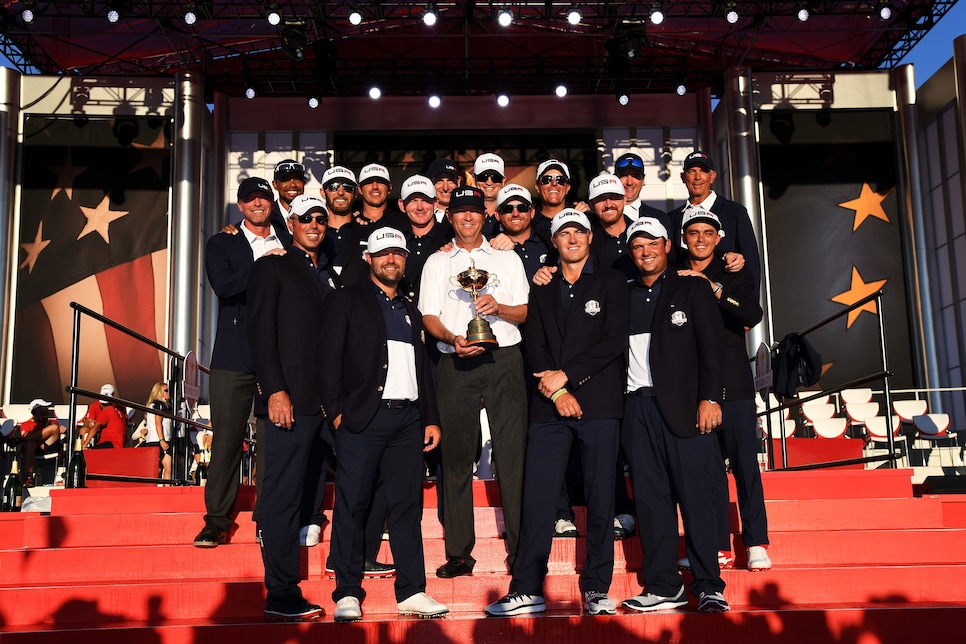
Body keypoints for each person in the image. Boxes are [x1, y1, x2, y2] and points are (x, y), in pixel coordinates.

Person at [484, 209, 629, 617]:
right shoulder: (542, 288)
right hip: (549, 405)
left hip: (598, 405)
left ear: (589, 238)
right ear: (554, 241)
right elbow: (536, 344)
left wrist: (567, 378)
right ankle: (527, 587)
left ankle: (597, 587)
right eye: (564, 233)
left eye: (579, 232)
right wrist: (559, 388)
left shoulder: (612, 282)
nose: (573, 238)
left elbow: (613, 341)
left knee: (601, 499)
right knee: (539, 499)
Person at [322, 227, 448, 622]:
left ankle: (412, 591)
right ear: (369, 259)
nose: (391, 259)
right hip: (363, 418)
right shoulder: (345, 300)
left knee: (407, 508)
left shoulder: (410, 310)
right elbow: (327, 361)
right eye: (383, 254)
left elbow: (420, 370)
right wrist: (337, 411)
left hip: (408, 420)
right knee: (352, 504)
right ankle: (346, 591)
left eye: (397, 253)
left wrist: (429, 417)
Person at [620, 216, 730, 614]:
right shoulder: (623, 294)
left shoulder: (691, 289)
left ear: (667, 246)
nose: (645, 251)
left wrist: (710, 398)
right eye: (637, 246)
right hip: (637, 409)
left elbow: (712, 348)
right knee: (651, 502)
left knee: (697, 499)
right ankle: (665, 585)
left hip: (687, 410)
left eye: (652, 244)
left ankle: (709, 585)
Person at [418, 186, 530, 578]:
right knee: (455, 459)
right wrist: (452, 338)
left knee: (513, 457)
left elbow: (524, 312)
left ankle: (520, 552)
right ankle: (459, 554)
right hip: (455, 361)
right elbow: (428, 317)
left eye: (475, 211)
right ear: (449, 217)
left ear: (486, 216)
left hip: (504, 359)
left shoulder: (507, 258)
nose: (468, 217)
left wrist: (497, 307)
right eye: (460, 211)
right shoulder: (436, 262)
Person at [247, 193, 335, 622]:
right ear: (292, 221)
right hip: (288, 402)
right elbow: (260, 335)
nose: (315, 224)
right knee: (281, 499)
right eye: (306, 218)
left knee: (319, 491)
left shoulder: (328, 274)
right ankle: (280, 591)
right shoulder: (271, 266)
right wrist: (274, 390)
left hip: (326, 405)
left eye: (321, 218)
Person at [193, 176, 287, 549]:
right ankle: (216, 520)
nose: (258, 204)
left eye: (263, 198)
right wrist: (265, 264)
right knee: (227, 440)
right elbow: (225, 286)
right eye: (250, 199)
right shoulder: (222, 242)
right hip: (233, 355)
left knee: (272, 441)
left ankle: (267, 518)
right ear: (240, 204)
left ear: (271, 202)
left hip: (277, 355)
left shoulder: (288, 238)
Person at [676, 209, 771, 572]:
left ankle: (756, 542)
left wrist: (713, 289)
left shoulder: (735, 272)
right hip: (695, 386)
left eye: (707, 232)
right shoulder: (674, 274)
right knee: (708, 469)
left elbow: (752, 314)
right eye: (693, 232)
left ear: (718, 238)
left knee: (746, 465)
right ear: (684, 238)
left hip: (734, 383)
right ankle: (716, 545)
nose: (700, 238)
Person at [669, 151, 760, 286]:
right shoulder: (672, 218)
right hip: (683, 299)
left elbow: (751, 263)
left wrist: (749, 304)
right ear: (683, 177)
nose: (697, 177)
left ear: (712, 176)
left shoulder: (734, 212)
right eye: (692, 171)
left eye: (704, 171)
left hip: (724, 299)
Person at [320, 165, 360, 272]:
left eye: (348, 187)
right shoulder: (313, 231)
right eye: (334, 186)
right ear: (323, 193)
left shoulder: (366, 230)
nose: (341, 192)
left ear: (356, 193)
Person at [18, 399, 63, 486]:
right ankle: (29, 477)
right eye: (45, 407)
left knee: (53, 428)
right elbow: (24, 435)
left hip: (49, 446)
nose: (47, 409)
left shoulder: (51, 422)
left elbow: (60, 429)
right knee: (30, 443)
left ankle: (30, 439)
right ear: (38, 410)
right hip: (33, 449)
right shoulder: (27, 424)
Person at [134, 382, 173, 480]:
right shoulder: (158, 404)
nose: (168, 393)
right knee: (157, 469)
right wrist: (161, 440)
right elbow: (157, 423)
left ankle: (165, 492)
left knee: (166, 467)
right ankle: (154, 491)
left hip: (162, 439)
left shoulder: (162, 404)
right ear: (159, 392)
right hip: (157, 440)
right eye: (166, 390)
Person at [614, 152, 667, 222]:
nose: (629, 182)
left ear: (643, 180)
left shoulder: (660, 218)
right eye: (624, 176)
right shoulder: (598, 219)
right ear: (615, 179)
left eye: (635, 176)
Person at [80, 384, 127, 449]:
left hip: (110, 443)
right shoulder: (117, 411)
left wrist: (85, 444)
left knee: (90, 453)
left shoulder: (107, 411)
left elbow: (95, 428)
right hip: (118, 443)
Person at [429, 158, 461, 223]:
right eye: (439, 181)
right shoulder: (421, 214)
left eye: (450, 181)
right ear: (429, 183)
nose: (445, 188)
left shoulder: (467, 214)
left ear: (458, 182)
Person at [473, 153, 505, 217]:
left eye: (496, 177)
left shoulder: (511, 213)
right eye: (483, 177)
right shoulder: (466, 214)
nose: (489, 183)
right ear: (474, 179)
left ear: (503, 180)